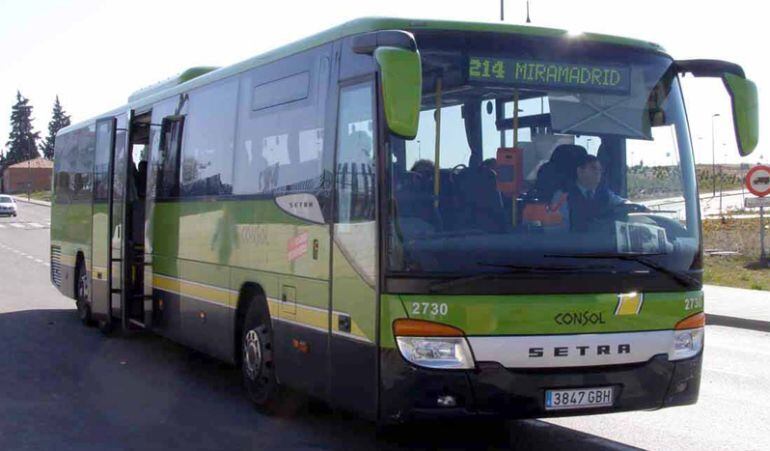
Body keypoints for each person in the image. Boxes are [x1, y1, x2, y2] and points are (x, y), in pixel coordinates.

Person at [553, 154, 625, 232]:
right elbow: (560, 232)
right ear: (580, 171)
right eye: (593, 168)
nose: (598, 173)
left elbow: (624, 203)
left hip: (603, 242)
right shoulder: (563, 196)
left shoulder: (605, 193)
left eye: (600, 170)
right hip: (574, 242)